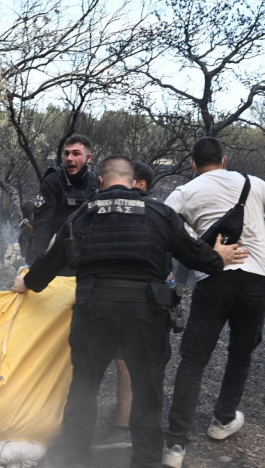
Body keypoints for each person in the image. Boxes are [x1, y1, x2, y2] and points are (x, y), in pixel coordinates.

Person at [11, 155, 249, 468]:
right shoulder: (158, 211)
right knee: (147, 392)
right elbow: (195, 254)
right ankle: (146, 462)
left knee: (83, 387)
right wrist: (217, 257)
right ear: (135, 181)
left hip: (94, 310)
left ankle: (73, 459)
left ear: (100, 181)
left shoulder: (84, 212)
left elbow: (51, 258)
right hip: (146, 313)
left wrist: (27, 282)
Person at [162, 137, 265, 468]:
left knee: (193, 360)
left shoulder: (184, 192)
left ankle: (175, 446)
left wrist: (190, 258)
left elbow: (162, 230)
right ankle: (222, 420)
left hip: (214, 279)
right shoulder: (253, 183)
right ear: (224, 159)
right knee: (240, 352)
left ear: (192, 164)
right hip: (256, 282)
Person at [110, 161, 155, 433]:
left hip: (122, 298)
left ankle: (123, 420)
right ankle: (124, 421)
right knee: (126, 361)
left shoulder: (110, 211)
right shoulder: (161, 213)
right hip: (143, 300)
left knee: (120, 362)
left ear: (139, 184)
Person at [24, 134, 99, 266]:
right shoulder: (53, 180)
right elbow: (42, 226)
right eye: (67, 154)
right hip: (55, 255)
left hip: (85, 257)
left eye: (76, 154)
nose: (69, 158)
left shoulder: (96, 183)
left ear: (89, 158)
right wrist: (34, 266)